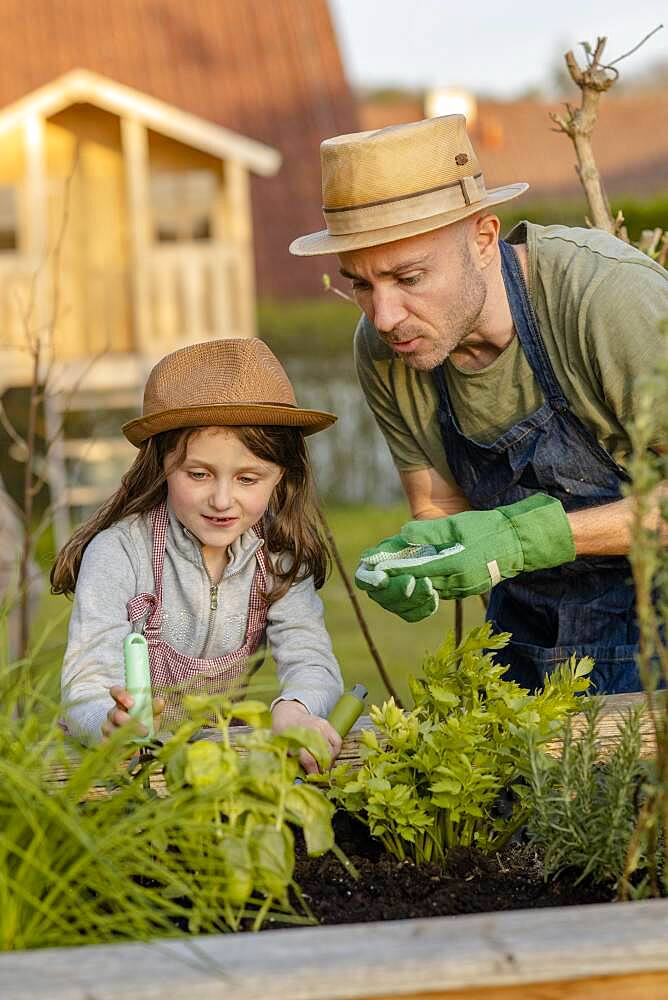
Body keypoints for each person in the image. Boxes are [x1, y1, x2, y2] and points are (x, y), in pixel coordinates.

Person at [289, 114, 668, 694]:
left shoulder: (604, 299)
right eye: (361, 284)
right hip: (526, 641)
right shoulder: (386, 351)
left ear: (484, 239)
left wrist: (523, 538)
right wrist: (419, 558)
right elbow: (438, 503)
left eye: (408, 277)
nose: (383, 316)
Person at [53, 337, 344, 771]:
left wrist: (296, 708)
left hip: (208, 771)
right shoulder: (119, 553)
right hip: (112, 781)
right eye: (199, 474)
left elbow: (311, 657)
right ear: (162, 463)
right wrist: (108, 723)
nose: (222, 500)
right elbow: (85, 683)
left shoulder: (278, 559)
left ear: (281, 476)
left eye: (248, 479)